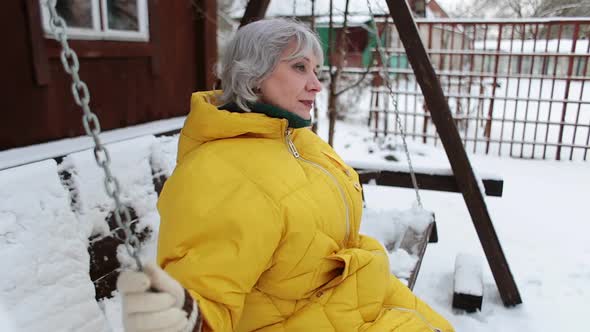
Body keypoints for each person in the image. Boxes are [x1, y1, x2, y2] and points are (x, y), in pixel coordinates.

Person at [116, 18, 454, 332]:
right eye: (299, 67)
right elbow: (206, 292)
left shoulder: (296, 138)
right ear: (252, 73)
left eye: (316, 70)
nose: (316, 85)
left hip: (358, 291)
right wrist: (183, 317)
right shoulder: (219, 172)